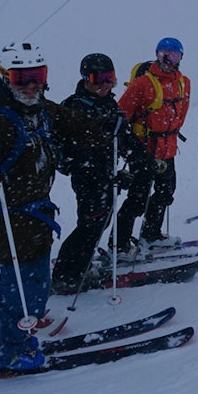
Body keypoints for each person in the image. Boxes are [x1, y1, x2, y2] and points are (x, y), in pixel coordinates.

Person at [0, 42, 118, 372]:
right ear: (4, 77)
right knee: (27, 291)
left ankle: (4, 342)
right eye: (22, 78)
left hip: (33, 215)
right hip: (5, 216)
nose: (32, 85)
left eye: (38, 75)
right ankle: (7, 351)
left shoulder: (39, 109)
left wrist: (107, 127)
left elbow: (77, 126)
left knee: (23, 286)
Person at [51, 53, 156, 294]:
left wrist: (143, 161)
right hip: (87, 177)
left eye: (109, 78)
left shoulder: (110, 105)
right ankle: (67, 275)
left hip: (106, 175)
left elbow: (124, 138)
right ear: (85, 78)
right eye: (97, 78)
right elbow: (76, 151)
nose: (104, 84)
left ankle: (79, 266)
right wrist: (106, 175)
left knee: (100, 221)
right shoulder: (74, 107)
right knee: (90, 224)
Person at [115, 37, 191, 253]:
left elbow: (181, 113)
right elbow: (120, 117)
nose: (168, 60)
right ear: (156, 55)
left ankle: (151, 235)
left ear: (180, 58)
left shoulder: (184, 82)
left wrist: (168, 134)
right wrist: (131, 149)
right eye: (163, 55)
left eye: (173, 55)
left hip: (167, 151)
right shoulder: (142, 84)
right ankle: (118, 245)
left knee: (166, 192)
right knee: (137, 200)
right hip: (143, 152)